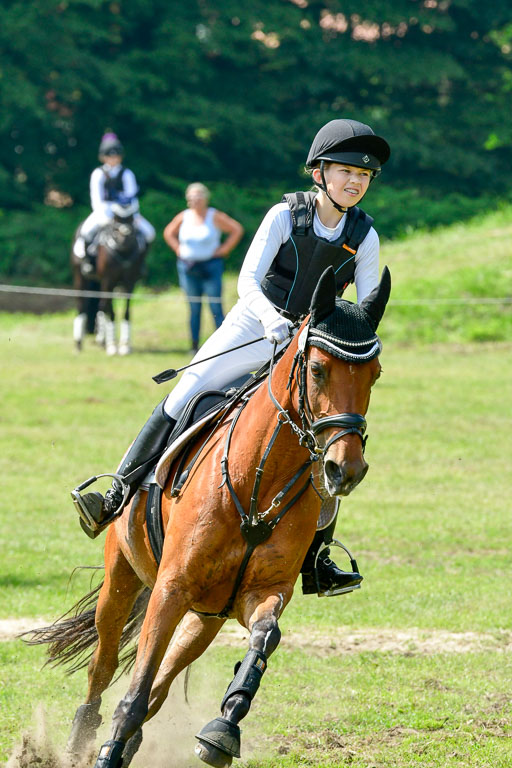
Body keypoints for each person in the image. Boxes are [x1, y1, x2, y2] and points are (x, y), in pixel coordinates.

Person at [72, 118, 391, 595]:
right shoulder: (284, 216)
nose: (355, 182)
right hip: (255, 325)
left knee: (331, 436)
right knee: (188, 392)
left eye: (364, 176)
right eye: (345, 171)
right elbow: (246, 282)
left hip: (310, 348)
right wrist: (272, 321)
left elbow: (362, 311)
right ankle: (117, 492)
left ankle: (317, 556)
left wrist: (359, 344)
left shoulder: (365, 236)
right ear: (318, 172)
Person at [163, 183, 244, 352]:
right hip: (188, 267)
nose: (195, 200)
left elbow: (236, 229)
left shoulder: (214, 216)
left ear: (205, 198)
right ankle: (194, 346)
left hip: (211, 266)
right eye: (192, 197)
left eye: (199, 197)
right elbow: (168, 232)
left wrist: (224, 249)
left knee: (215, 306)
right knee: (194, 307)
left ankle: (223, 346)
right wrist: (178, 249)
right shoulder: (183, 217)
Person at [73, 133, 156, 274]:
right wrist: (103, 215)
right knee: (86, 231)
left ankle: (141, 263)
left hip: (126, 211)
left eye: (116, 156)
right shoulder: (98, 174)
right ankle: (88, 261)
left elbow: (132, 195)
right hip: (104, 211)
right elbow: (96, 198)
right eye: (109, 156)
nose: (113, 159)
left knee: (149, 233)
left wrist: (131, 212)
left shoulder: (127, 173)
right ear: (103, 157)